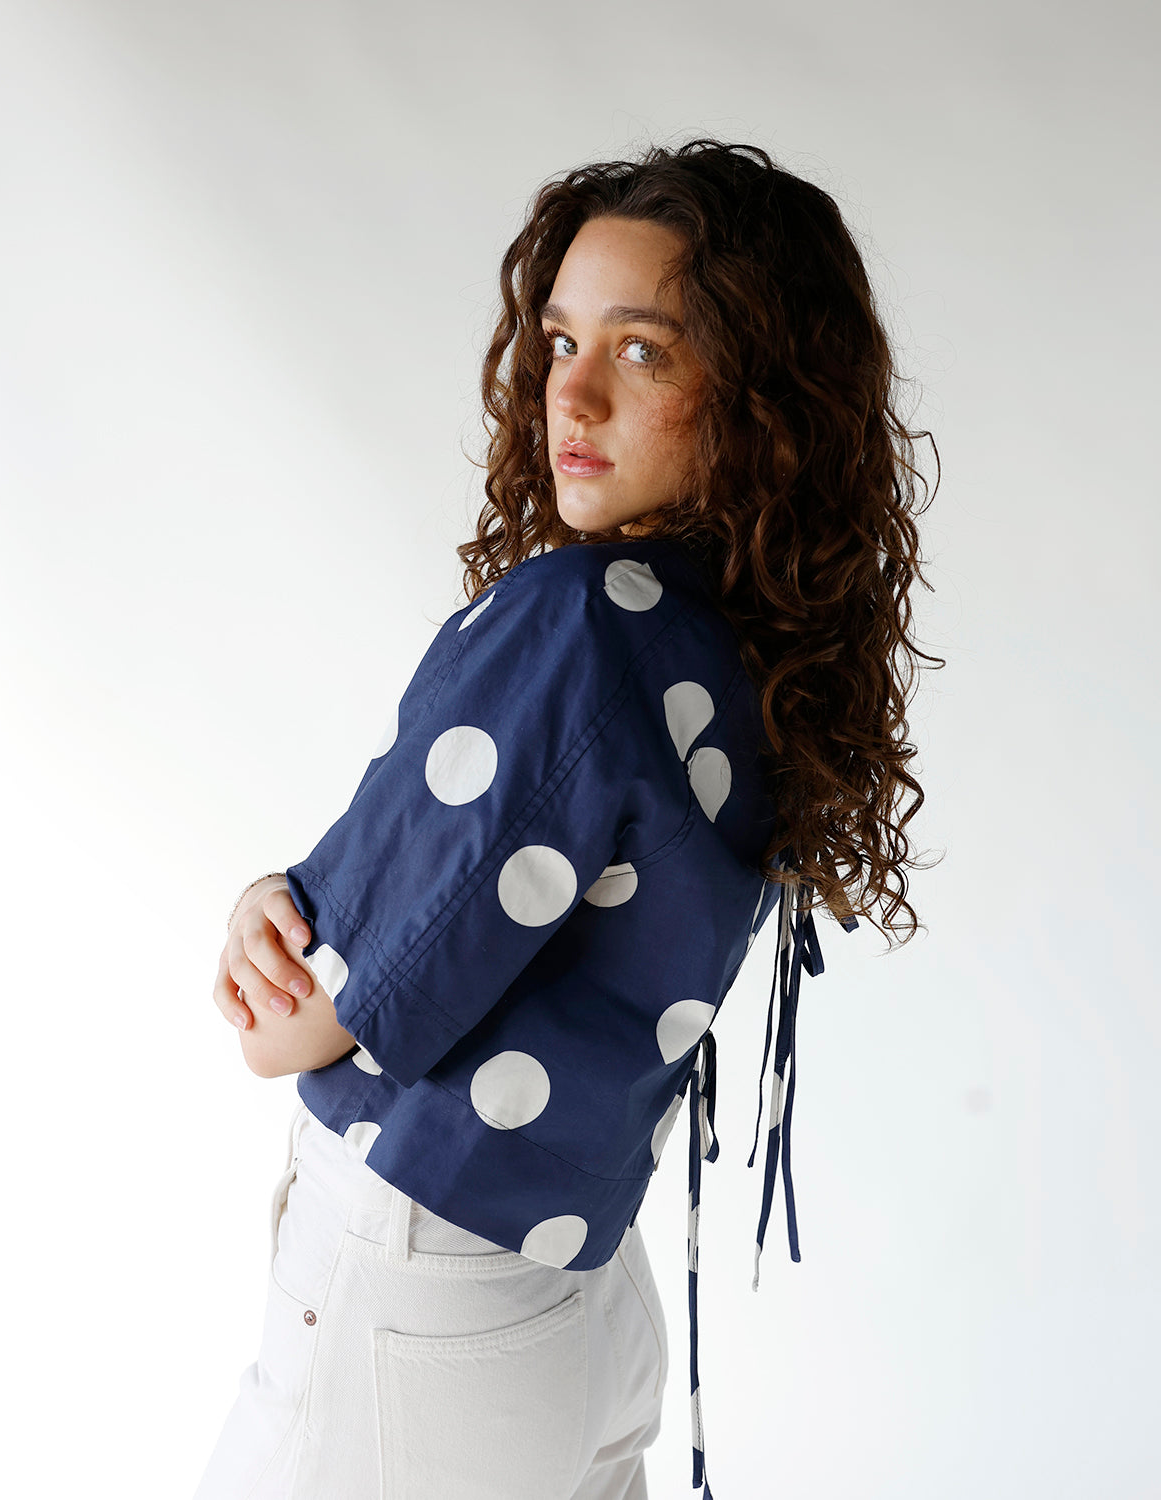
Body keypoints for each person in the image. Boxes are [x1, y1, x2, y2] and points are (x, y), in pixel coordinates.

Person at [196, 138, 939, 1500]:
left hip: (423, 1284)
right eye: (560, 342)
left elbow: (304, 1020)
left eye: (644, 351)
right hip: (575, 1298)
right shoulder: (748, 653)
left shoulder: (580, 620)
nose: (574, 393)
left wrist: (271, 922)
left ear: (758, 396)